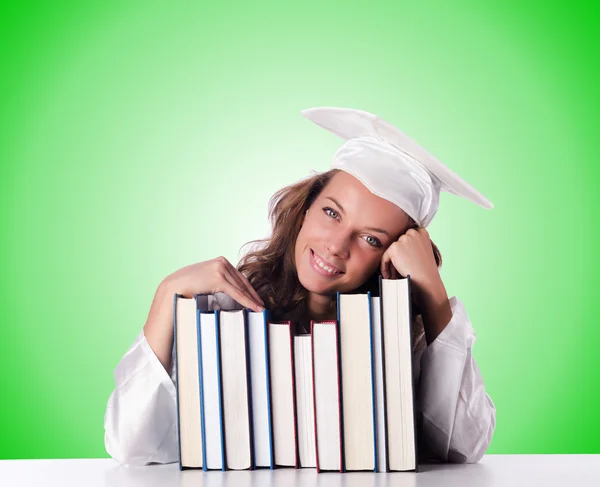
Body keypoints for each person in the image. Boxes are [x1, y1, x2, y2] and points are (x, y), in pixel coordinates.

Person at [104, 107, 496, 467]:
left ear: (391, 255)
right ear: (305, 207)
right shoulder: (224, 313)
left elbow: (463, 449)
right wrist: (165, 295)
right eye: (331, 213)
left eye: (371, 239)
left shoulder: (404, 340)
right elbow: (131, 446)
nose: (336, 246)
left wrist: (432, 291)